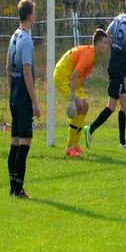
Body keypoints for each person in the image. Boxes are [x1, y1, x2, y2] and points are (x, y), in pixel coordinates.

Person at [84, 0, 126, 150]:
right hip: (118, 69)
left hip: (114, 66)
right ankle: (90, 129)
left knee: (124, 104)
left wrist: (112, 46)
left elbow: (105, 34)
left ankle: (123, 142)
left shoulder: (118, 18)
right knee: (111, 107)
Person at [53, 29, 110, 157]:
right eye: (105, 42)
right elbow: (74, 76)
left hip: (72, 78)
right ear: (97, 43)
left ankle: (75, 144)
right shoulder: (88, 55)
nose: (107, 46)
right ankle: (70, 147)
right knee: (78, 106)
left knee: (85, 106)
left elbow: (78, 77)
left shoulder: (92, 55)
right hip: (62, 76)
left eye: (107, 43)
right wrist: (72, 100)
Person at [6, 0, 41, 199]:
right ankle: (18, 190)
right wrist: (34, 102)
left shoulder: (14, 36)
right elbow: (27, 72)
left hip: (14, 95)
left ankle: (13, 188)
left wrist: (13, 92)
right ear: (29, 15)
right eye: (34, 12)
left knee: (15, 143)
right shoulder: (26, 40)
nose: (35, 16)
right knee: (24, 145)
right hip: (23, 98)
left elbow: (8, 68)